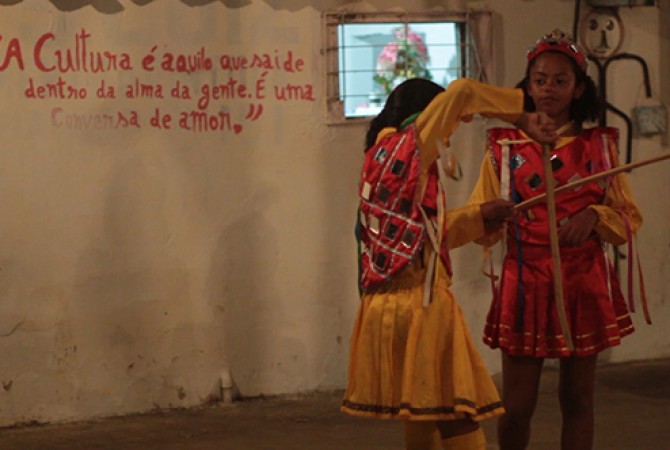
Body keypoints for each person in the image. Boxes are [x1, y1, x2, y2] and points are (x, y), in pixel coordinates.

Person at [341, 76, 559, 450]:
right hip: (421, 307)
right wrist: (522, 116)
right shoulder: (411, 145)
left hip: (385, 308)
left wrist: (479, 216)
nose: (450, 137)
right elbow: (461, 92)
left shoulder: (380, 158)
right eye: (450, 127)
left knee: (423, 411)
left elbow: (425, 234)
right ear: (426, 118)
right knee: (457, 413)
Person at [467, 30, 645, 450]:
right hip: (525, 283)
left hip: (583, 281)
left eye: (560, 80)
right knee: (516, 405)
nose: (549, 88)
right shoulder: (505, 146)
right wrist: (489, 216)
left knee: (578, 399)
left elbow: (628, 218)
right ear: (528, 86)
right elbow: (477, 222)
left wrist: (594, 215)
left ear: (578, 87)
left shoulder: (599, 148)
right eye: (540, 79)